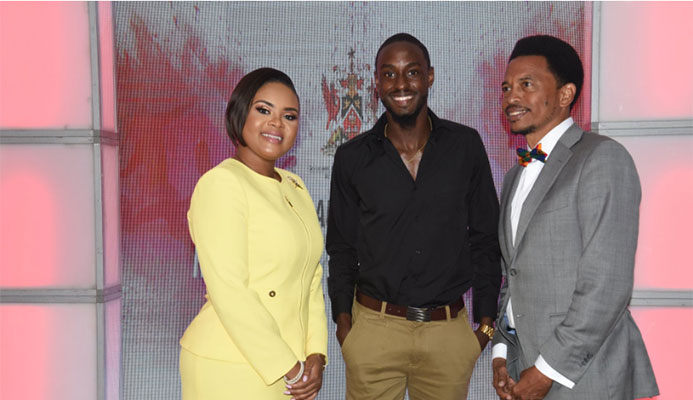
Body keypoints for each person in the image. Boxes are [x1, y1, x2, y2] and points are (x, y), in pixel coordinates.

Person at [327, 33, 502, 399]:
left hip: (448, 335)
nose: (401, 84)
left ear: (430, 77)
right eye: (389, 74)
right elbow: (342, 248)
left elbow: (486, 238)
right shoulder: (351, 158)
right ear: (376, 83)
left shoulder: (465, 146)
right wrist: (345, 328)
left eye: (412, 72)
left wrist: (484, 327)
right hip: (374, 331)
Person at [491, 35, 659, 400]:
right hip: (526, 370)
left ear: (566, 94)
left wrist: (547, 370)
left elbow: (607, 286)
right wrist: (502, 350)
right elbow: (512, 275)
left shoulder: (602, 159)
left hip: (587, 377)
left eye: (526, 85)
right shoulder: (514, 175)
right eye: (506, 87)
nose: (510, 98)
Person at [179, 68, 327, 400]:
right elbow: (229, 289)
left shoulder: (295, 186)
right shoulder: (222, 184)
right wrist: (289, 367)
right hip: (232, 363)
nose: (277, 123)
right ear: (240, 112)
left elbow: (312, 276)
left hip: (292, 365)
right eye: (264, 110)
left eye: (289, 116)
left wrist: (316, 352)